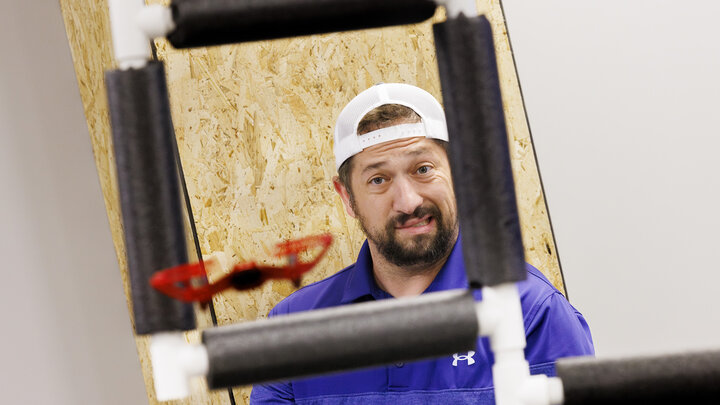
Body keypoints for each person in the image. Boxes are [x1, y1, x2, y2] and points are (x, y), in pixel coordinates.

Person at [250, 83, 594, 404]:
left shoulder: (533, 313)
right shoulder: (293, 329)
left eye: (423, 169)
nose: (408, 201)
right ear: (348, 199)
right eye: (378, 179)